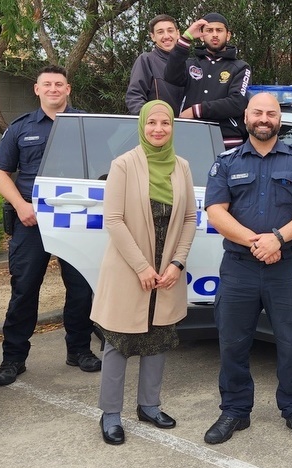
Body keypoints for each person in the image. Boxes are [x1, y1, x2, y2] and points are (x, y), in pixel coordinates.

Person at [203, 92, 292, 445]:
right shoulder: (226, 162)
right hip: (239, 267)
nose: (263, 118)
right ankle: (234, 411)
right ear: (246, 117)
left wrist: (277, 239)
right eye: (257, 112)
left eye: (270, 113)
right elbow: (216, 211)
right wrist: (256, 243)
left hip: (286, 266)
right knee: (232, 343)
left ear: (279, 119)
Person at [91, 100, 197, 445]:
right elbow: (114, 220)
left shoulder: (181, 166)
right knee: (119, 342)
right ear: (141, 125)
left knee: (158, 339)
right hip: (129, 268)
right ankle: (110, 415)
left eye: (165, 123)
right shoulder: (123, 165)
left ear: (172, 127)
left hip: (166, 270)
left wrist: (176, 264)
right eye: (151, 122)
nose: (158, 129)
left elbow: (189, 219)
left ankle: (149, 405)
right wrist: (142, 267)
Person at [0, 65, 100, 387]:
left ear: (68, 89)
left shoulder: (86, 125)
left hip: (78, 219)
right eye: (47, 84)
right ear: (37, 90)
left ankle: (79, 349)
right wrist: (21, 206)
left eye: (59, 84)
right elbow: (0, 172)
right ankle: (13, 359)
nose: (53, 89)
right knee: (25, 289)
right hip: (31, 219)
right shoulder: (20, 128)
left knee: (80, 289)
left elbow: (107, 169)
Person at [164, 12, 252, 149]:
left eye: (219, 30)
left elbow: (237, 103)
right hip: (190, 139)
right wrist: (186, 38)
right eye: (209, 30)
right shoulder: (190, 64)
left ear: (228, 35)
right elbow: (170, 76)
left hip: (227, 143)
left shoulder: (241, 67)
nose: (215, 34)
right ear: (201, 36)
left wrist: (196, 110)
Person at [125, 14, 185, 116]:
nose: (166, 36)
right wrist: (151, 120)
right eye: (160, 32)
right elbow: (135, 96)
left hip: (190, 128)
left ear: (178, 33)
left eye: (170, 30)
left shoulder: (190, 63)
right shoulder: (146, 60)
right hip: (159, 129)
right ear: (153, 37)